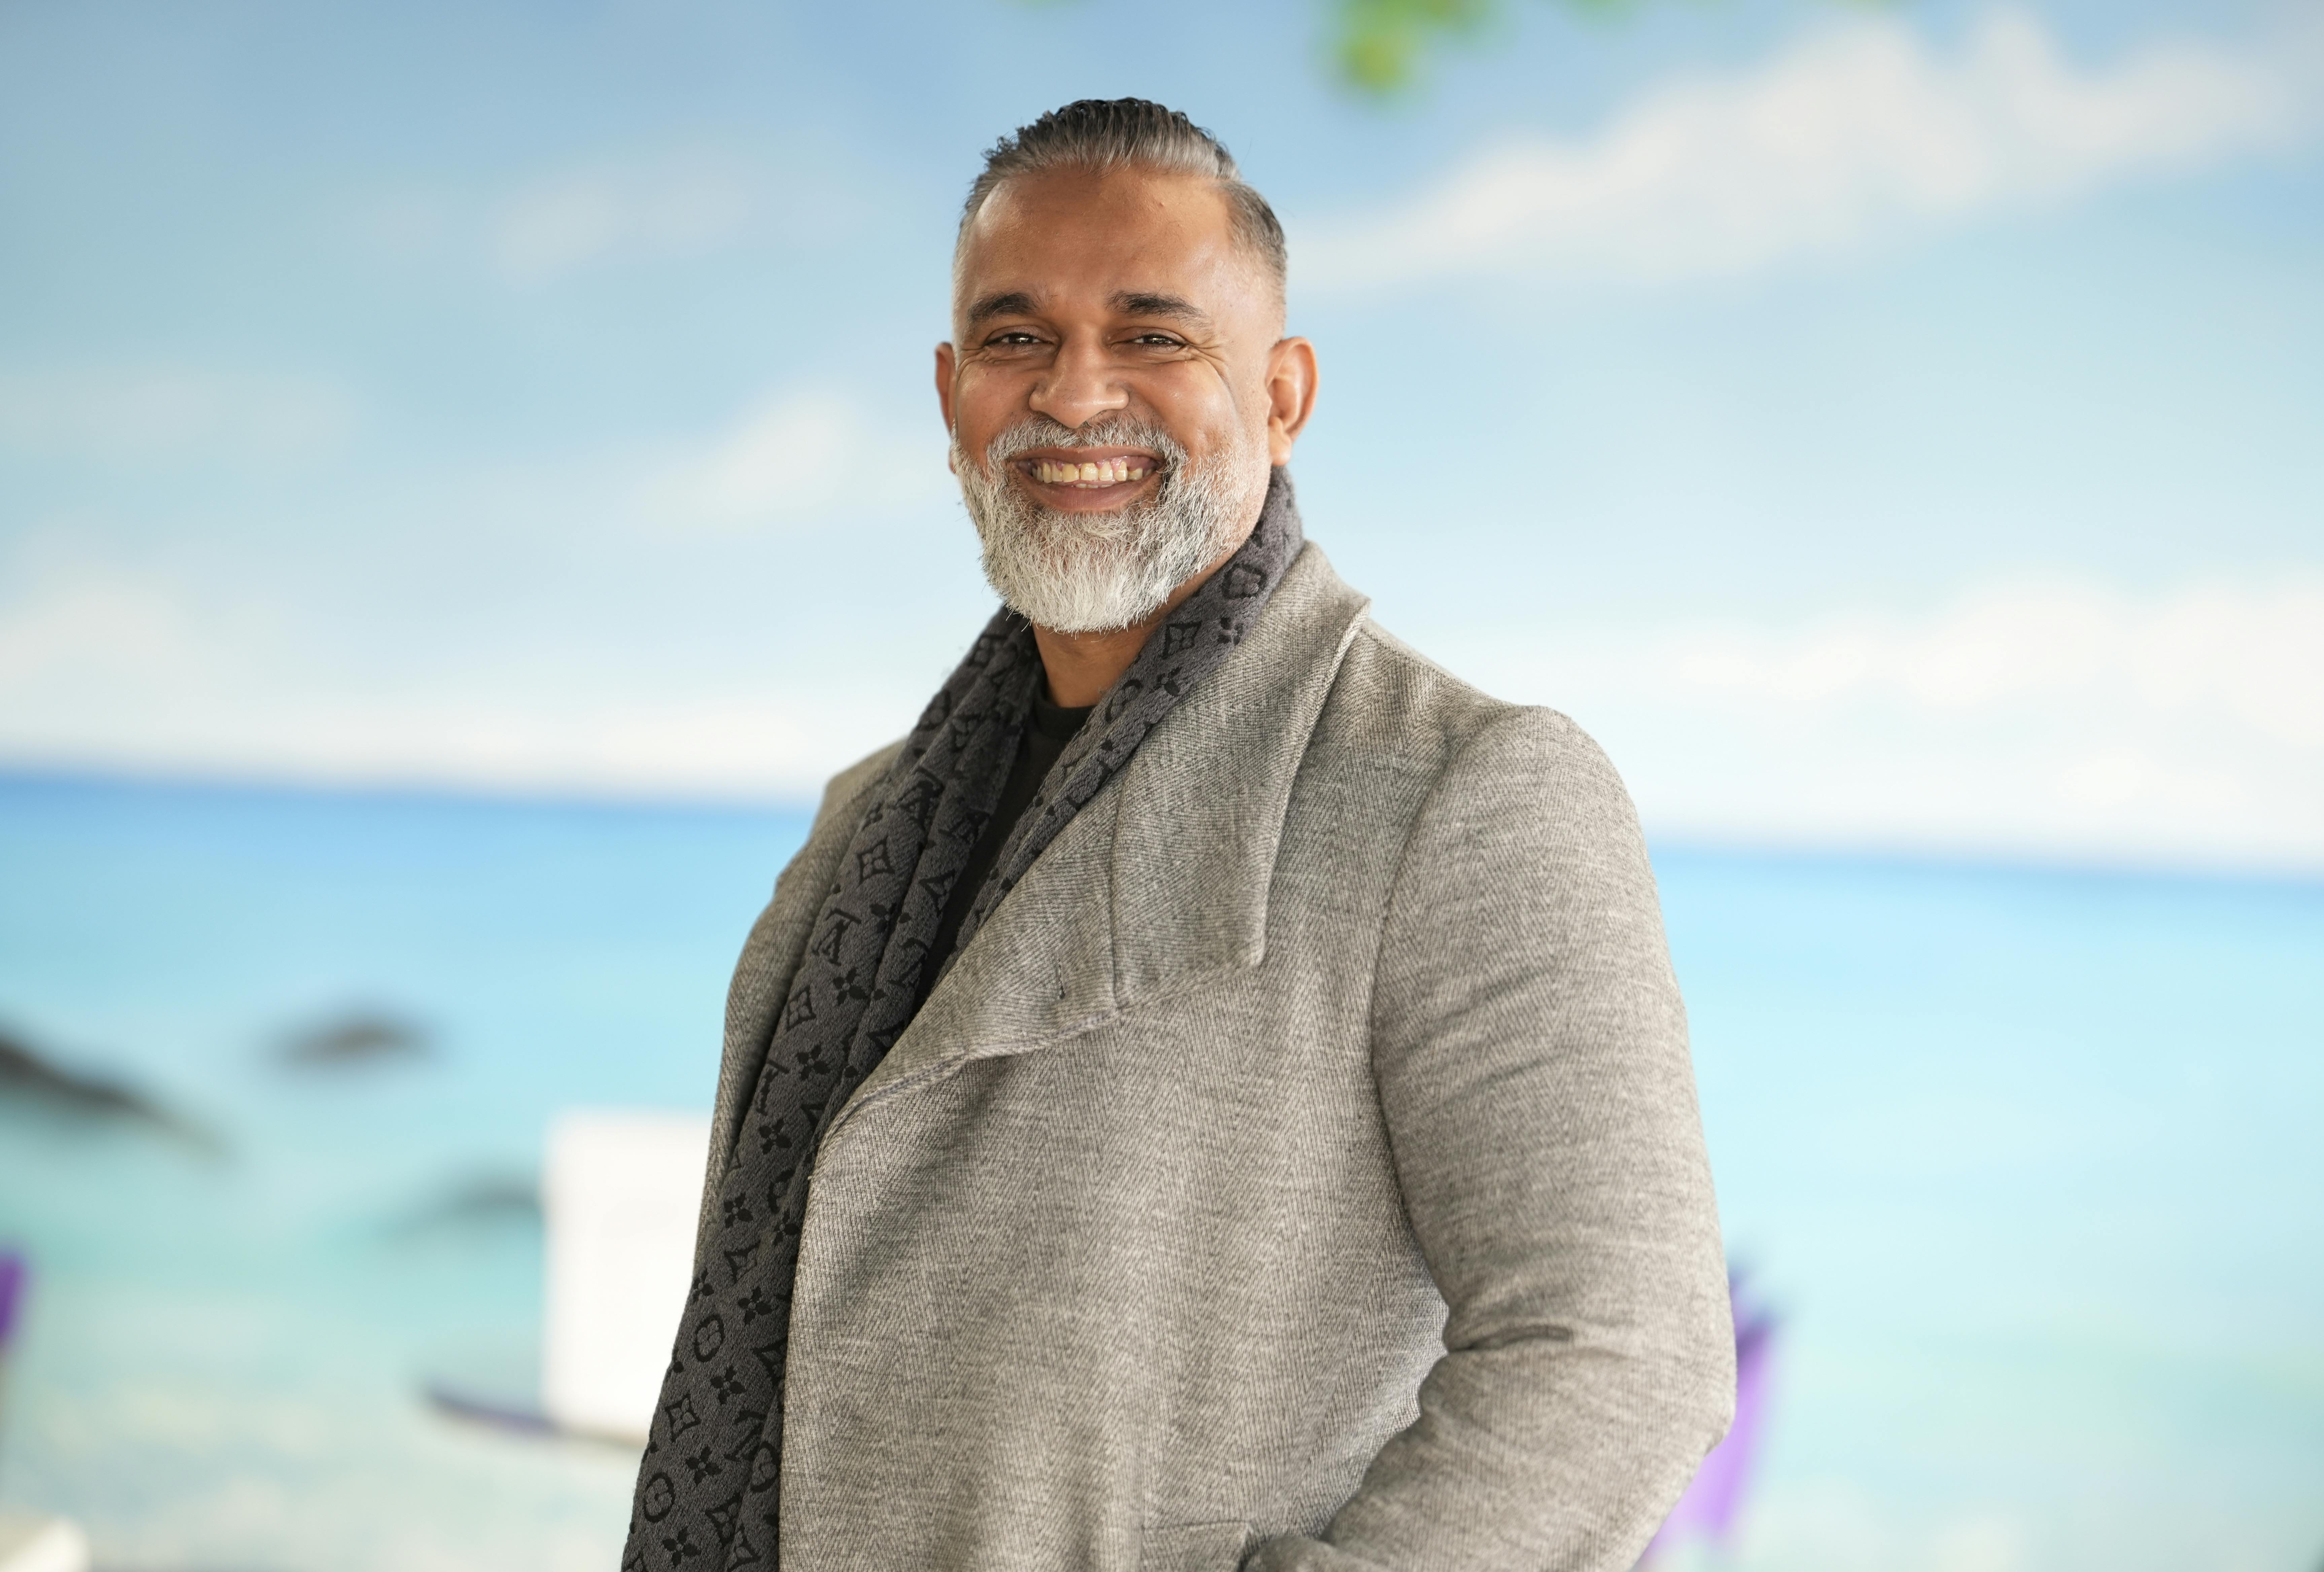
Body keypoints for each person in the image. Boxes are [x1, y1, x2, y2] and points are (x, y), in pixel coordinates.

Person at [624, 98, 1734, 1572]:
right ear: (952, 391)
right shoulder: (863, 827)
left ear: (1282, 394)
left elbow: (1621, 1352)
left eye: (1155, 335)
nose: (1077, 396)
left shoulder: (1466, 791)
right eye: (1017, 339)